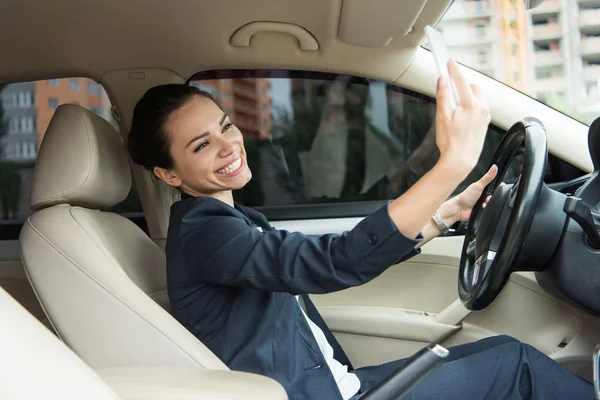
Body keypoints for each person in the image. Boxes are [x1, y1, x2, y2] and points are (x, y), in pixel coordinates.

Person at [126, 61, 593, 399]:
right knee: (518, 368)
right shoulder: (204, 235)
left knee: (504, 350)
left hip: (335, 385)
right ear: (169, 174)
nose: (229, 145)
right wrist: (452, 163)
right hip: (324, 396)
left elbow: (321, 256)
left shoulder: (229, 222)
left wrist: (447, 214)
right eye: (202, 144)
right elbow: (334, 261)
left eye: (226, 126)